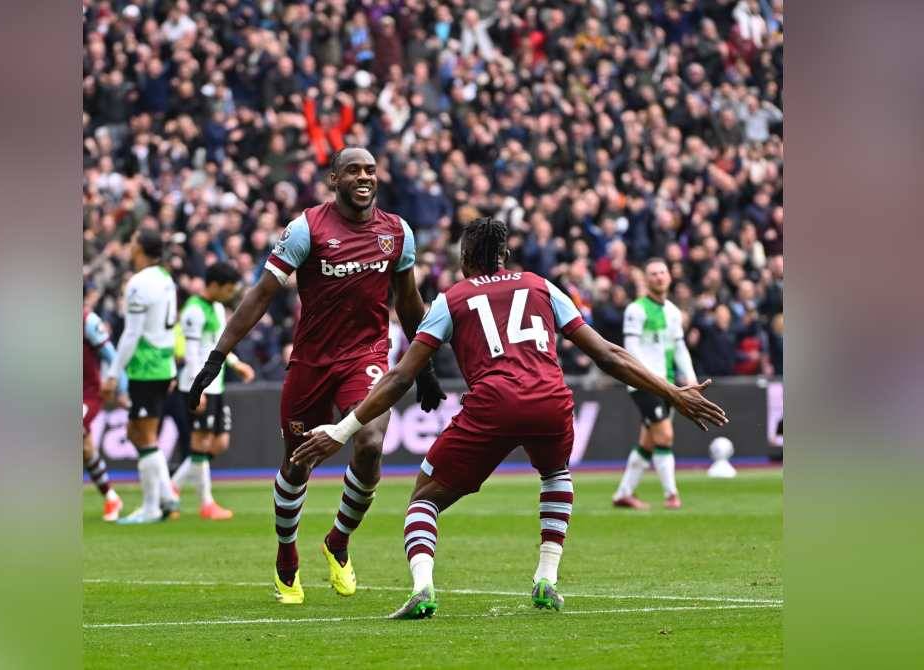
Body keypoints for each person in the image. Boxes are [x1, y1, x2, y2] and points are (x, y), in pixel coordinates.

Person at [292, 218, 727, 619]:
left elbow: (400, 376)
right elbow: (608, 355)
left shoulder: (452, 299)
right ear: (503, 256)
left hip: (494, 403)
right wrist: (673, 393)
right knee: (556, 474)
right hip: (551, 401)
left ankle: (423, 588)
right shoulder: (543, 286)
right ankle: (546, 580)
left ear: (465, 260)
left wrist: (342, 428)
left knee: (424, 496)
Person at [186, 147, 445, 604]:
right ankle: (287, 556)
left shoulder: (396, 233)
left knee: (368, 444)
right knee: (297, 463)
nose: (364, 177)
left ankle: (338, 541)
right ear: (333, 179)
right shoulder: (307, 229)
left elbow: (408, 301)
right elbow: (262, 294)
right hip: (311, 363)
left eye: (370, 170)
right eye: (353, 171)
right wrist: (218, 354)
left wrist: (421, 367)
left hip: (366, 356)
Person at [102, 228, 181, 524]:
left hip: (147, 368)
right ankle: (166, 495)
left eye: (133, 241)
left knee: (144, 435)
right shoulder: (164, 279)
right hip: (161, 365)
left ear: (141, 249)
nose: (129, 245)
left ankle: (151, 507)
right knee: (138, 434)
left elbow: (132, 333)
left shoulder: (139, 283)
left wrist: (112, 374)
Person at [170, 262, 256, 520]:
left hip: (215, 384)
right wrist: (200, 387)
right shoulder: (193, 311)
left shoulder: (217, 308)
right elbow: (193, 353)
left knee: (218, 443)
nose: (231, 294)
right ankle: (206, 503)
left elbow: (220, 342)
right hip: (196, 386)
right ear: (215, 285)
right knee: (201, 442)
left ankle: (172, 487)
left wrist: (235, 363)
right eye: (228, 289)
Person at [613, 258, 700, 511]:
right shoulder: (636, 310)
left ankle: (623, 494)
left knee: (648, 442)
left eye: (663, 272)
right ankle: (672, 494)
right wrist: (645, 379)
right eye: (653, 273)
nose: (659, 277)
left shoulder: (673, 312)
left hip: (668, 384)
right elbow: (630, 350)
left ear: (669, 277)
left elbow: (680, 347)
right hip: (644, 383)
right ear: (646, 279)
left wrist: (691, 379)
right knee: (665, 435)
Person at [82, 305, 123, 521]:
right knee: (86, 448)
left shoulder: (88, 321)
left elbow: (111, 355)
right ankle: (111, 496)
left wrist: (121, 388)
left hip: (86, 394)